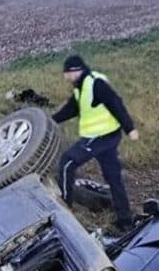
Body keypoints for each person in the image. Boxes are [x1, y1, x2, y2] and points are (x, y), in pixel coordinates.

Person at [52, 55, 140, 231]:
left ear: (77, 71)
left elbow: (116, 103)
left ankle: (65, 210)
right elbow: (71, 109)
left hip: (100, 137)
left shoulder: (95, 83)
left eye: (67, 73)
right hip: (105, 137)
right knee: (113, 177)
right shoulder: (80, 88)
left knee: (67, 162)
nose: (65, 77)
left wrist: (129, 128)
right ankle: (125, 221)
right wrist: (50, 120)